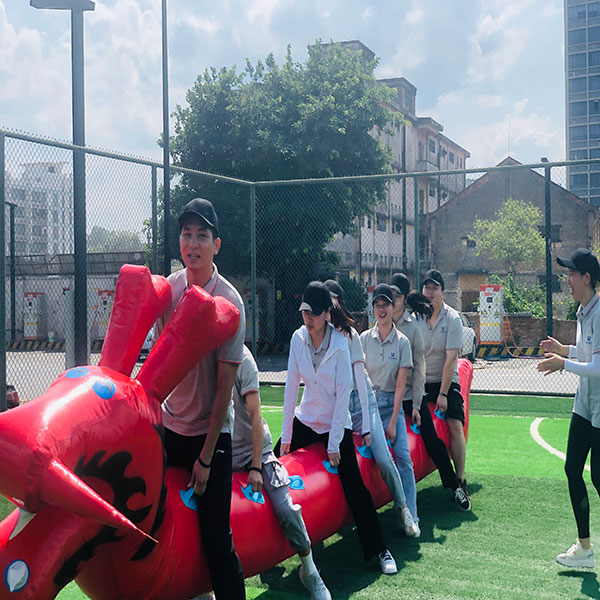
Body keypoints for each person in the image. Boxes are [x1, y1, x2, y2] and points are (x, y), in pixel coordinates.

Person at [154, 198, 246, 599]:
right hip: (170, 426)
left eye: (202, 235)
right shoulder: (169, 290)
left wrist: (206, 459)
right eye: (186, 234)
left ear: (216, 245)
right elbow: (158, 366)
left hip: (211, 434)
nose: (193, 243)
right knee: (155, 521)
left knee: (217, 539)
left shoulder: (230, 302)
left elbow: (225, 389)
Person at [276, 281, 398, 575]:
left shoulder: (341, 345)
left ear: (327, 314)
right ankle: (272, 551)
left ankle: (380, 549)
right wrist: (287, 436)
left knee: (354, 485)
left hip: (335, 423)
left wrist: (333, 444)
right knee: (272, 466)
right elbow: (291, 387)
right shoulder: (298, 339)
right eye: (305, 312)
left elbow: (343, 396)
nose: (308, 318)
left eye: (314, 313)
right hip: (307, 419)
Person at [232, 345, 331, 599]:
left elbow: (255, 416)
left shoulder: (242, 358)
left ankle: (310, 569)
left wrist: (256, 466)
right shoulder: (202, 354)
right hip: (222, 452)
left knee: (285, 507)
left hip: (255, 450)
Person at [323, 279, 419, 537]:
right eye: (376, 305)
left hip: (365, 403)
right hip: (338, 406)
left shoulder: (352, 336)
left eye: (331, 302)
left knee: (387, 458)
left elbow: (364, 384)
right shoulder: (315, 336)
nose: (381, 309)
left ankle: (404, 508)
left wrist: (368, 426)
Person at [538, 248, 600, 568]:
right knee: (572, 469)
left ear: (587, 278)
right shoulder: (582, 311)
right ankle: (584, 549)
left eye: (571, 274)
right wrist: (566, 349)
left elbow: (599, 367)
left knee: (599, 478)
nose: (567, 280)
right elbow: (588, 353)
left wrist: (563, 363)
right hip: (583, 406)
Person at [359, 283, 420, 536]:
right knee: (378, 458)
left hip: (392, 406)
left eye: (386, 304)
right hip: (369, 405)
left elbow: (400, 386)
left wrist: (394, 422)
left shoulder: (402, 342)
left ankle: (411, 516)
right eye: (377, 304)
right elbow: (360, 381)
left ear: (394, 307)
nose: (381, 309)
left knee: (403, 457)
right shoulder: (363, 339)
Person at [417, 269, 471, 511]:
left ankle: (460, 480)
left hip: (445, 379)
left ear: (443, 292)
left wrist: (443, 393)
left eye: (434, 288)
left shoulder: (452, 318)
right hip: (422, 380)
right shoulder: (416, 317)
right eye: (426, 288)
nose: (430, 292)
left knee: (454, 424)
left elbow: (450, 360)